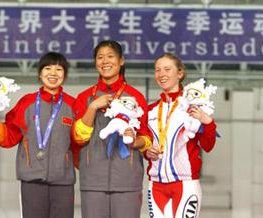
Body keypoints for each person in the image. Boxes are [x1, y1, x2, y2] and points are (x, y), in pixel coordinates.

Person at [0, 52, 76, 218]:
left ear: (64, 74)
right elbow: (9, 136)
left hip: (63, 181)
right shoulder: (26, 103)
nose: (53, 73)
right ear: (39, 73)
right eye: (48, 68)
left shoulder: (72, 105)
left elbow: (79, 140)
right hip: (32, 180)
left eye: (59, 69)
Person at [71, 40, 152, 218]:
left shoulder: (135, 97)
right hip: (92, 181)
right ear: (95, 63)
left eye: (110, 56)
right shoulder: (84, 98)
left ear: (121, 61)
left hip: (127, 181)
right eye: (100, 57)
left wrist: (134, 139)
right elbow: (78, 138)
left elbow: (146, 139)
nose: (105, 61)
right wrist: (92, 107)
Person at [145, 53, 217, 218]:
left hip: (185, 184)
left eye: (167, 69)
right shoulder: (150, 111)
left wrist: (207, 122)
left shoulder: (193, 107)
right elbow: (146, 144)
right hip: (156, 185)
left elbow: (208, 145)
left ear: (180, 73)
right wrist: (147, 152)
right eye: (157, 70)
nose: (161, 74)